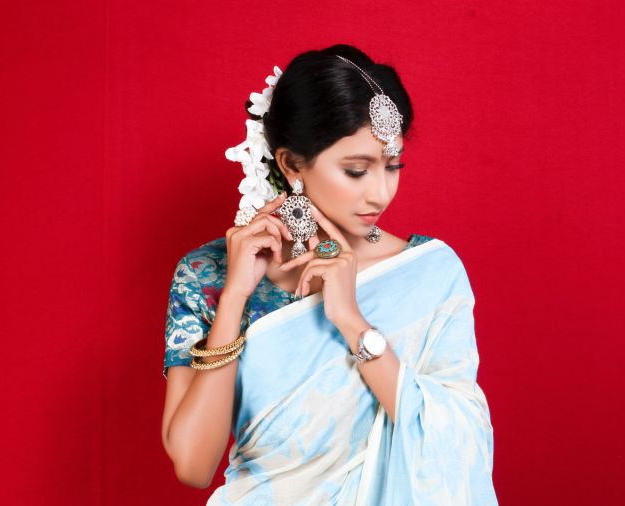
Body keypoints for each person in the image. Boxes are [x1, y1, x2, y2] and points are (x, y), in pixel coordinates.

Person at [160, 44, 498, 505]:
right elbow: (194, 465)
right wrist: (235, 296)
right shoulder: (207, 275)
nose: (380, 193)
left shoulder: (429, 275)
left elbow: (459, 445)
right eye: (356, 171)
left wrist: (350, 320)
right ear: (291, 164)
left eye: (393, 167)